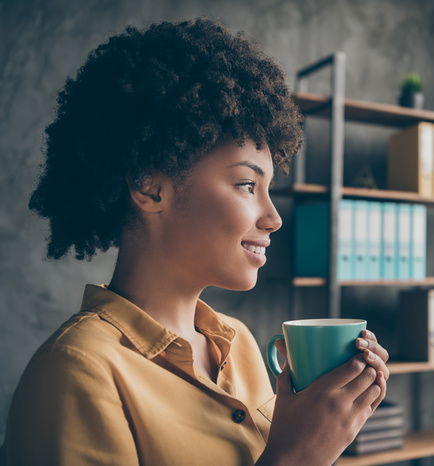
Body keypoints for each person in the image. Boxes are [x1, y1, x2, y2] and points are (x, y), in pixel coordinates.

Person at [1, 18, 389, 466]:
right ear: (150, 187)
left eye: (270, 190)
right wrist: (294, 457)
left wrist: (322, 425)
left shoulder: (241, 344)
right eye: (247, 184)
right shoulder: (76, 371)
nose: (274, 218)